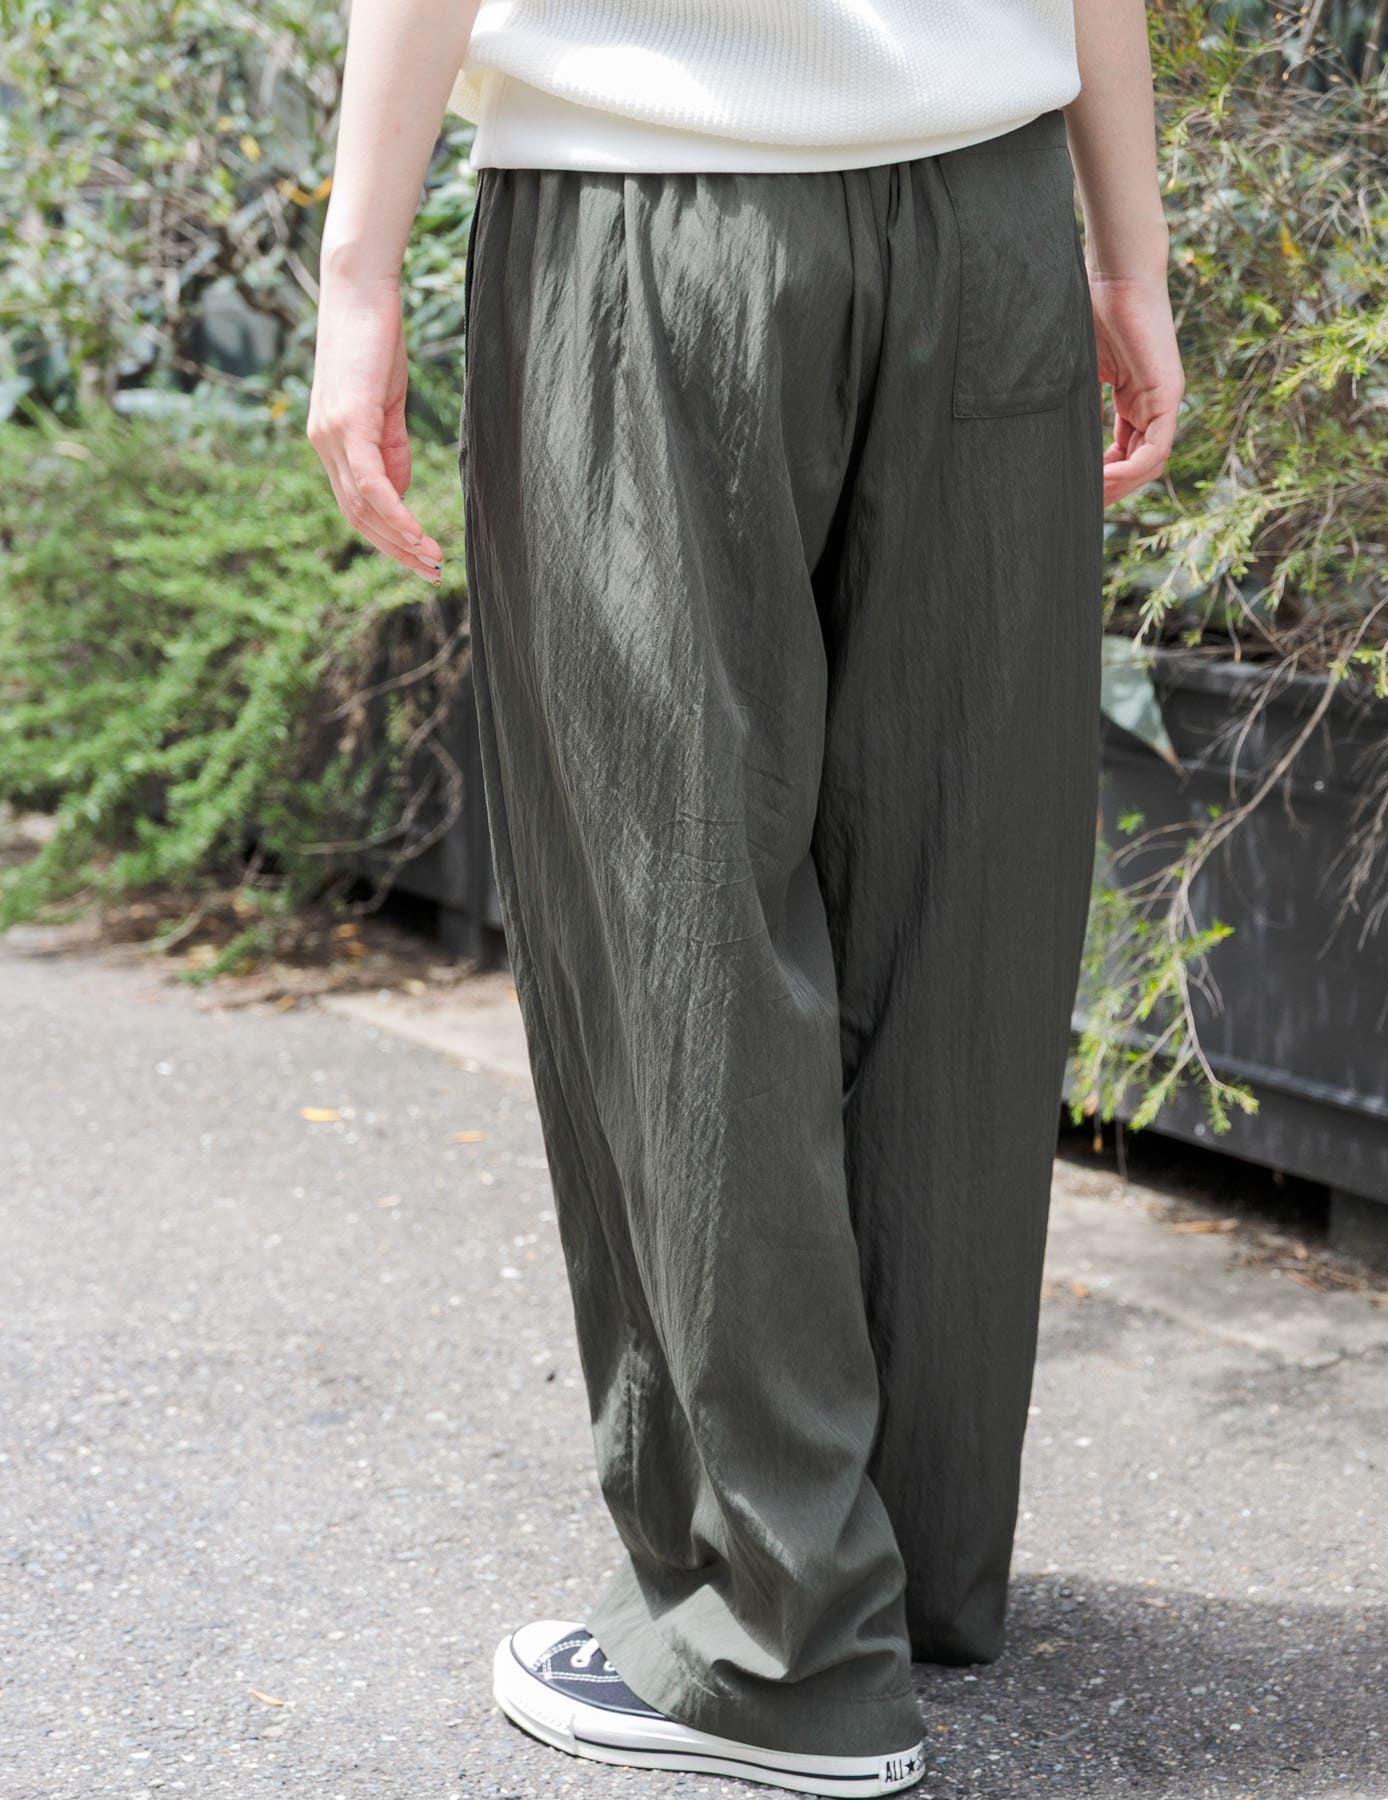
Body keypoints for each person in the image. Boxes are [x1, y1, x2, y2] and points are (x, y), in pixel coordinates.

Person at [309, 2, 1183, 1793]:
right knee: (959, 905)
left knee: (677, 911)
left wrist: (356, 275)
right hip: (991, 213)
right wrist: (1128, 246)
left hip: (657, 218)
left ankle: (775, 1644)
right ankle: (908, 1562)